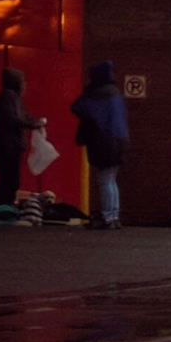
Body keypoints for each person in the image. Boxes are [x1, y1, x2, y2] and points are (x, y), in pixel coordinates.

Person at [70, 61, 131, 228]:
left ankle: (107, 215)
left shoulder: (97, 93)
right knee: (111, 178)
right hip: (120, 140)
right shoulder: (116, 93)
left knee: (104, 179)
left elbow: (78, 107)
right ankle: (113, 214)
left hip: (104, 141)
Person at [0, 65, 41, 208]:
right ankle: (5, 207)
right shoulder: (9, 97)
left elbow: (21, 117)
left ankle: (5, 206)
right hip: (8, 147)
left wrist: (34, 122)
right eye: (23, 81)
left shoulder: (11, 97)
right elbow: (13, 119)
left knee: (9, 179)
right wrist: (33, 124)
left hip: (9, 147)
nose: (25, 85)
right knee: (9, 179)